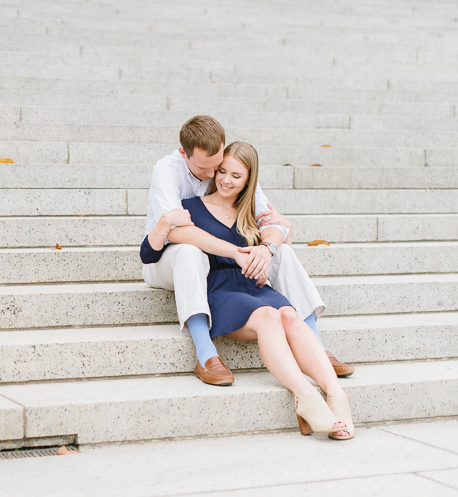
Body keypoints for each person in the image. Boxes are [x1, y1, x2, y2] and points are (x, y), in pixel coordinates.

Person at [148, 142, 354, 439]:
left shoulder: (251, 214)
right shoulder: (190, 206)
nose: (225, 180)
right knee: (270, 317)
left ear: (248, 181)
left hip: (253, 286)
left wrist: (267, 248)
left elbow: (282, 231)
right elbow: (175, 233)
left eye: (236, 175)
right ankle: (305, 396)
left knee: (290, 316)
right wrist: (235, 251)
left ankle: (336, 395)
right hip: (219, 289)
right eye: (221, 172)